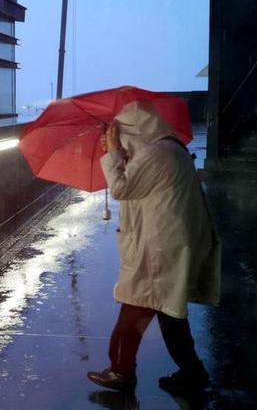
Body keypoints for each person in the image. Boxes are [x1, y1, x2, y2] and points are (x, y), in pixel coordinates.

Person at [87, 100, 221, 393]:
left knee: (133, 313)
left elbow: (122, 189)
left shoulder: (155, 154)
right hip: (170, 245)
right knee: (169, 313)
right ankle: (193, 373)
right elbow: (138, 184)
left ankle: (121, 372)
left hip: (159, 250)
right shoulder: (169, 148)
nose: (119, 140)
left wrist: (112, 153)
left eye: (121, 134)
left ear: (132, 131)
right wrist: (118, 153)